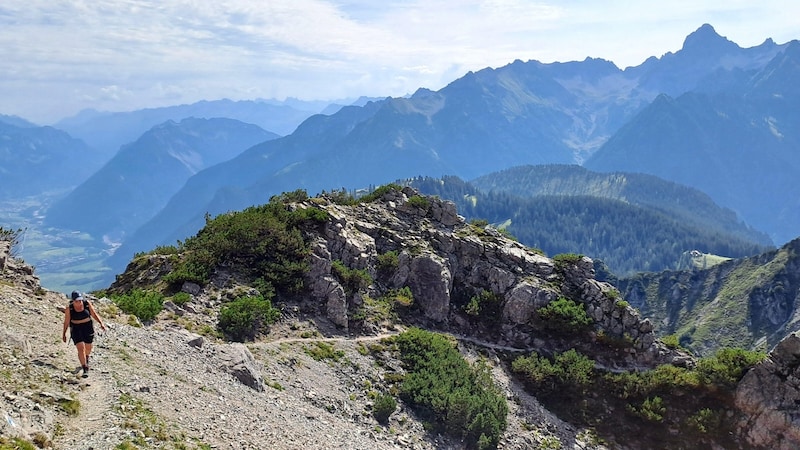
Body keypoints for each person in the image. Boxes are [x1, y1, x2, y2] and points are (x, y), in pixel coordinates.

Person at [62, 291, 106, 377]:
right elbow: (66, 321)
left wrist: (101, 323)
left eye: (80, 300)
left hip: (87, 327)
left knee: (88, 346)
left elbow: (93, 314)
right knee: (80, 347)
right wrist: (64, 334)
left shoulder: (86, 304)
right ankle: (85, 367)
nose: (79, 302)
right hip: (76, 328)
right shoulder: (69, 308)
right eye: (77, 301)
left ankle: (87, 357)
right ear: (73, 300)